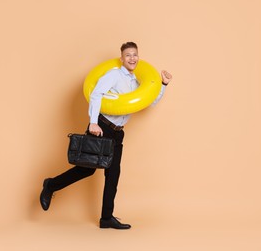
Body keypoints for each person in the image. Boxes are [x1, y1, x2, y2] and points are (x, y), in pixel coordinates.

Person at [39, 42, 172, 230]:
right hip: (102, 127)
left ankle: (106, 218)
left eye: (135, 55)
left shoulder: (136, 82)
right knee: (87, 169)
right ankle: (51, 185)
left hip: (118, 133)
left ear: (138, 58)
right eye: (128, 55)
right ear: (121, 58)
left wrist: (163, 85)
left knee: (113, 174)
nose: (132, 58)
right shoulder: (114, 75)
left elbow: (148, 102)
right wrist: (93, 122)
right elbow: (96, 94)